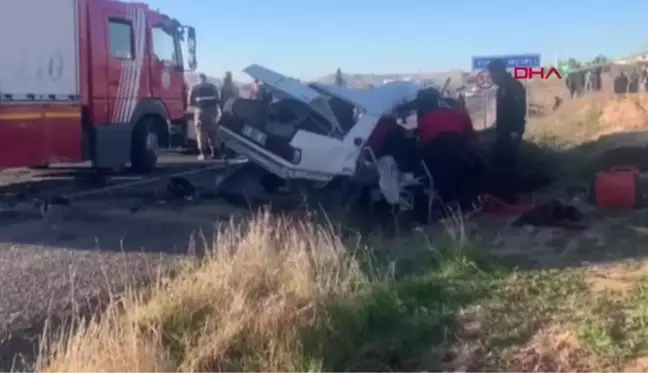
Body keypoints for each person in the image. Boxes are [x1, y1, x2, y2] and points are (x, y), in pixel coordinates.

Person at [415, 88, 481, 213]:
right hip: (460, 154)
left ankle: (447, 205)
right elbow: (470, 136)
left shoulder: (425, 119)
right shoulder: (458, 113)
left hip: (439, 158)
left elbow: (424, 142)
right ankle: (468, 202)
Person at [486, 59, 527, 203]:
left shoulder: (513, 87)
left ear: (499, 72)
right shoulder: (502, 88)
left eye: (492, 74)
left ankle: (510, 197)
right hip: (504, 131)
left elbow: (518, 110)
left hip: (511, 131)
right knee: (500, 161)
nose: (492, 78)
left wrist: (514, 131)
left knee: (509, 162)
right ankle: (502, 194)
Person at [188, 73, 221, 160]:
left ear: (199, 79)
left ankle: (203, 154)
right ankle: (215, 153)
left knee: (201, 133)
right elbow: (218, 99)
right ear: (206, 79)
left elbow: (190, 102)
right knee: (213, 133)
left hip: (200, 112)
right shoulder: (213, 87)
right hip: (213, 112)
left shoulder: (194, 88)